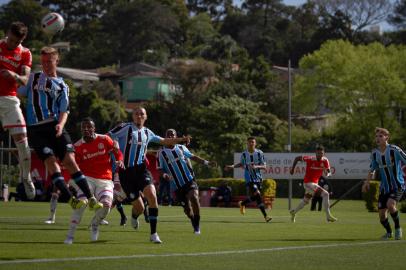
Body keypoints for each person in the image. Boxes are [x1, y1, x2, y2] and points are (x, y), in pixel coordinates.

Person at [18, 46, 102, 210]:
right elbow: (19, 91)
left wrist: (60, 125)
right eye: (43, 62)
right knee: (50, 161)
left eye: (49, 61)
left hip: (55, 126)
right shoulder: (33, 78)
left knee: (70, 161)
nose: (46, 65)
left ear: (57, 61)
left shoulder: (63, 86)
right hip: (36, 129)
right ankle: (70, 199)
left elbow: (65, 110)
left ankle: (91, 198)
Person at [108, 107, 191, 244]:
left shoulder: (148, 132)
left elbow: (164, 141)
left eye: (142, 114)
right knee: (139, 208)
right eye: (136, 113)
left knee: (152, 196)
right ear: (133, 116)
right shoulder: (125, 127)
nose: (139, 116)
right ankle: (134, 216)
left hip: (141, 170)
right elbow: (108, 135)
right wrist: (115, 144)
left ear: (145, 117)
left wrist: (182, 139)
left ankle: (153, 234)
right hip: (126, 173)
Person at [64, 117, 124, 244]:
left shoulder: (104, 139)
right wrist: (68, 180)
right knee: (82, 203)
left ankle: (95, 224)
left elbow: (117, 151)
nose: (86, 129)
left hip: (105, 179)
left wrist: (120, 159)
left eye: (89, 127)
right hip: (87, 179)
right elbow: (72, 166)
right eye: (83, 127)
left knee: (107, 205)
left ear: (94, 128)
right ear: (81, 130)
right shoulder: (77, 146)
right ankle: (70, 235)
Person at [158, 129, 217, 234]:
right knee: (188, 211)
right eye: (168, 135)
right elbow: (160, 168)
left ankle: (197, 226)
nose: (171, 137)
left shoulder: (181, 148)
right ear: (165, 137)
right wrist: (164, 174)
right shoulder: (161, 152)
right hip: (176, 185)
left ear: (176, 137)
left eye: (173, 135)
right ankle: (192, 219)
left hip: (189, 180)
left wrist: (207, 163)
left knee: (194, 197)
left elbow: (193, 157)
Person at [0, 21, 35, 199]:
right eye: (11, 39)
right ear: (7, 33)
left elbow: (25, 80)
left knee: (23, 143)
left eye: (16, 41)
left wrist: (13, 75)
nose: (12, 44)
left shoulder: (25, 53)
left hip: (9, 100)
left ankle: (26, 176)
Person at [362, 127, 405, 240]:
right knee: (381, 215)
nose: (378, 138)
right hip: (384, 188)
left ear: (387, 137)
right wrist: (367, 182)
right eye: (376, 136)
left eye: (380, 136)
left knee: (391, 205)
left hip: (397, 185)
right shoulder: (375, 153)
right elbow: (372, 169)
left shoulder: (394, 150)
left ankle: (398, 228)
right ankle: (388, 232)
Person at [225, 137, 272, 222]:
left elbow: (264, 166)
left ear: (255, 143)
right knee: (257, 194)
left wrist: (256, 166)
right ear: (247, 143)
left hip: (258, 178)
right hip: (249, 178)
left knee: (256, 197)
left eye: (253, 142)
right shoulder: (244, 154)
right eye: (249, 142)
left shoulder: (260, 153)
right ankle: (266, 217)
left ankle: (242, 203)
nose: (251, 144)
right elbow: (241, 164)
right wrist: (232, 166)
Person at [289, 145, 337, 223]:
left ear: (324, 153)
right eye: (318, 153)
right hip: (308, 183)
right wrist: (293, 169)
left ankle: (293, 212)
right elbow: (297, 158)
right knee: (326, 194)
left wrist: (328, 173)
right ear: (315, 153)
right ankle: (328, 216)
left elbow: (328, 171)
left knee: (305, 201)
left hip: (314, 183)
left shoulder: (325, 160)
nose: (319, 155)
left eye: (321, 153)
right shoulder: (310, 159)